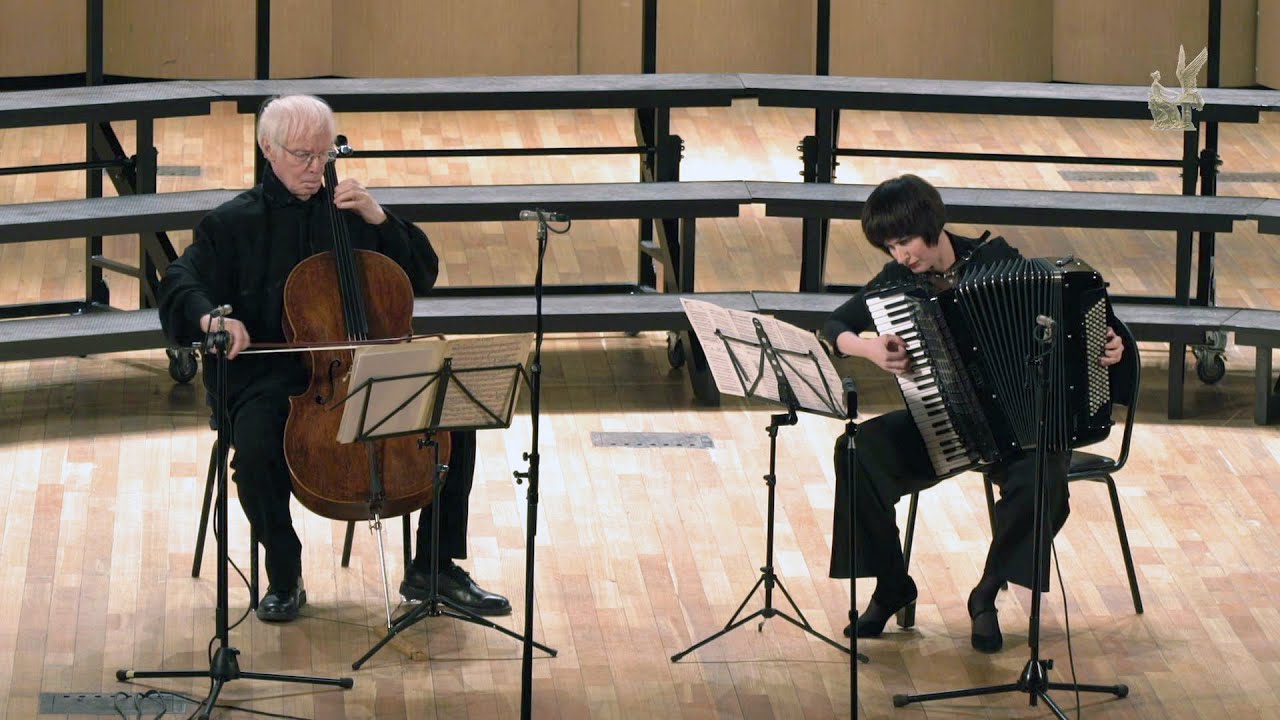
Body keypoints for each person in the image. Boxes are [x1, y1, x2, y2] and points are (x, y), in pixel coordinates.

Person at [159, 94, 510, 623]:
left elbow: (423, 274)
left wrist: (381, 217)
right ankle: (284, 572)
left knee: (451, 416)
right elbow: (180, 281)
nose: (314, 167)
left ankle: (433, 566)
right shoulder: (231, 224)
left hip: (361, 366)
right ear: (267, 150)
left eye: (324, 154)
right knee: (254, 450)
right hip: (269, 377)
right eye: (302, 155)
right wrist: (214, 320)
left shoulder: (353, 212)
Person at [822, 174, 1129, 653]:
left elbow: (1086, 332)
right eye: (890, 247)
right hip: (942, 421)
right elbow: (835, 324)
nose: (900, 255)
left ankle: (985, 593)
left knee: (1043, 477)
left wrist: (1107, 346)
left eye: (904, 241)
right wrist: (868, 348)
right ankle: (891, 585)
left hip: (1018, 431)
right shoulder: (898, 283)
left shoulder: (999, 262)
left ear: (932, 225)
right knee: (856, 450)